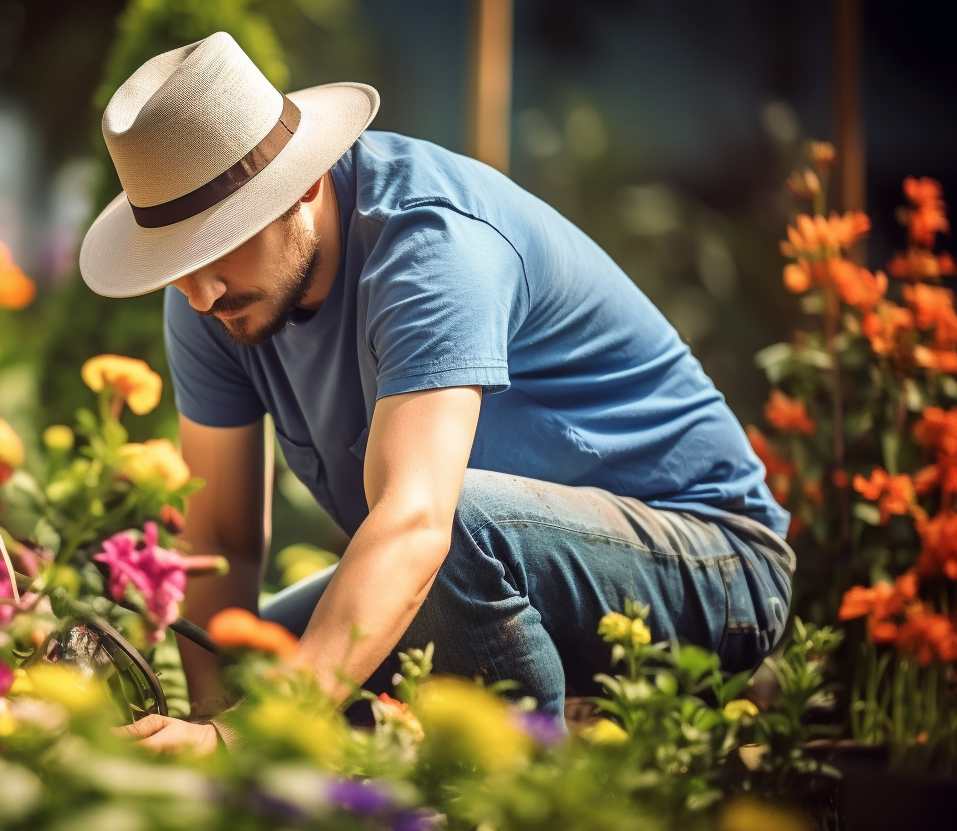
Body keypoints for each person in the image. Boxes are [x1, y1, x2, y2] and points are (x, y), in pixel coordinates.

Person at [79, 32, 793, 753]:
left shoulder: (429, 245)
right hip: (481, 566)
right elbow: (222, 540)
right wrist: (215, 728)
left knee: (453, 528)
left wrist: (251, 740)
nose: (200, 293)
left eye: (219, 240)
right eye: (180, 258)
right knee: (255, 652)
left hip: (712, 562)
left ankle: (522, 826)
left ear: (302, 182)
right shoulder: (215, 298)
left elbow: (417, 526)